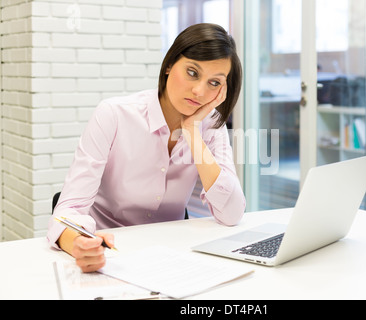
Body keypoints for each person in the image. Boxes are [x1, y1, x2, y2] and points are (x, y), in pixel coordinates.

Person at [47, 23, 246, 272]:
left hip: (170, 257)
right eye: (193, 73)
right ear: (170, 64)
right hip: (109, 254)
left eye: (214, 83)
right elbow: (69, 209)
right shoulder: (113, 115)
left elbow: (232, 213)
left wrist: (192, 131)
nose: (199, 91)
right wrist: (79, 245)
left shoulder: (210, 126)